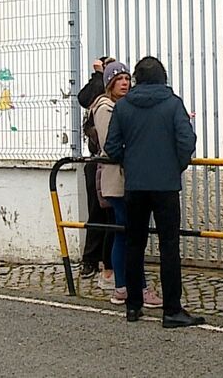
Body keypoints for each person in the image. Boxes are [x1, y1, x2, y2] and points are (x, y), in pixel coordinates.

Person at [104, 56, 204, 328]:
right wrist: (175, 166)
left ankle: (133, 305)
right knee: (169, 247)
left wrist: (130, 161)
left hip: (135, 185)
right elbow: (187, 141)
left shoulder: (123, 107)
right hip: (166, 185)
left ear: (136, 78)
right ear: (163, 77)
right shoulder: (173, 104)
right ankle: (171, 309)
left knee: (134, 245)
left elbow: (112, 147)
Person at [91, 61, 162, 309]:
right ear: (109, 82)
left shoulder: (125, 106)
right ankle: (132, 286)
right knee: (129, 233)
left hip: (129, 177)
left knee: (126, 233)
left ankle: (124, 286)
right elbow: (112, 143)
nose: (124, 83)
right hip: (118, 178)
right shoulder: (105, 108)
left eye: (127, 78)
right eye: (118, 78)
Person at [77, 56, 115, 283]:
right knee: (97, 212)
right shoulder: (98, 100)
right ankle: (90, 260)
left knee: (113, 216)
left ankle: (106, 261)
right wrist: (98, 74)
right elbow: (84, 97)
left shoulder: (118, 99)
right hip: (96, 162)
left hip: (112, 163)